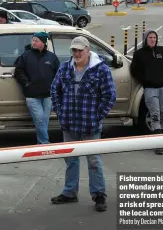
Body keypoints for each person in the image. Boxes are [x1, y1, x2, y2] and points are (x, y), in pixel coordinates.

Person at [50, 36, 116, 212]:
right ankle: (70, 192)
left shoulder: (100, 70)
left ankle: (99, 195)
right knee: (71, 160)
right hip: (69, 124)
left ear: (88, 50)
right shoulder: (65, 68)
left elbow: (110, 96)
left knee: (94, 161)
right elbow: (54, 90)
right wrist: (60, 112)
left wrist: (96, 116)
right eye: (74, 50)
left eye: (80, 50)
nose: (77, 53)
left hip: (90, 125)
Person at [130, 29, 163, 155]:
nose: (152, 39)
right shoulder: (139, 54)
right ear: (145, 39)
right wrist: (146, 80)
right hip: (150, 89)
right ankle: (158, 145)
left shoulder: (162, 50)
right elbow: (134, 71)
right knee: (155, 115)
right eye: (150, 37)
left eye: (154, 37)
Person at [14, 32, 61, 144]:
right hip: (32, 95)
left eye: (36, 41)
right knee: (39, 120)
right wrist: (27, 84)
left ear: (43, 43)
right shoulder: (26, 56)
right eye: (33, 40)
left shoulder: (52, 57)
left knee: (44, 121)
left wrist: (55, 88)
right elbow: (18, 71)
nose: (33, 43)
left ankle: (40, 144)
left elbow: (58, 74)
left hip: (48, 96)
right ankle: (45, 143)